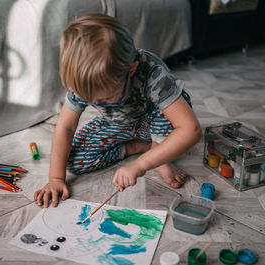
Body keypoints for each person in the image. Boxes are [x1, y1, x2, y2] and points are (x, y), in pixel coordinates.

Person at [34, 13, 201, 208]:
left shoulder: (153, 74)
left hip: (154, 120)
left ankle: (158, 154)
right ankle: (137, 147)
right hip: (118, 124)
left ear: (131, 70)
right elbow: (65, 127)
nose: (98, 104)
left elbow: (191, 130)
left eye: (104, 99)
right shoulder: (83, 82)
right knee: (73, 162)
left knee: (173, 114)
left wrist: (141, 165)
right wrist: (55, 177)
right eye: (91, 101)